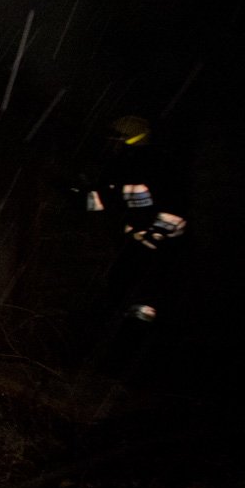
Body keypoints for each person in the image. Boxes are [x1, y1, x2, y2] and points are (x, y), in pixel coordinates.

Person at [77, 114, 189, 378]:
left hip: (159, 252)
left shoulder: (157, 166)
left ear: (131, 139)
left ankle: (143, 368)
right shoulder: (123, 165)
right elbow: (107, 198)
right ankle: (119, 366)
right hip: (135, 248)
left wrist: (156, 237)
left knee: (145, 308)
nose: (110, 143)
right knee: (121, 301)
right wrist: (73, 194)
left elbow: (173, 206)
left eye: (116, 137)